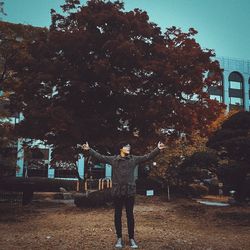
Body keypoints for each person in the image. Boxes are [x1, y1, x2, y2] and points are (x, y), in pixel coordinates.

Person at [81, 141, 166, 249]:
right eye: (126, 147)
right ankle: (119, 238)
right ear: (121, 149)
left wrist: (157, 149)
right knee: (117, 215)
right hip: (117, 192)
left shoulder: (133, 159)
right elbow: (100, 157)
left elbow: (147, 157)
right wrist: (89, 150)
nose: (128, 148)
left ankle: (131, 238)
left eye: (129, 147)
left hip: (129, 192)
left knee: (130, 215)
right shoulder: (113, 159)